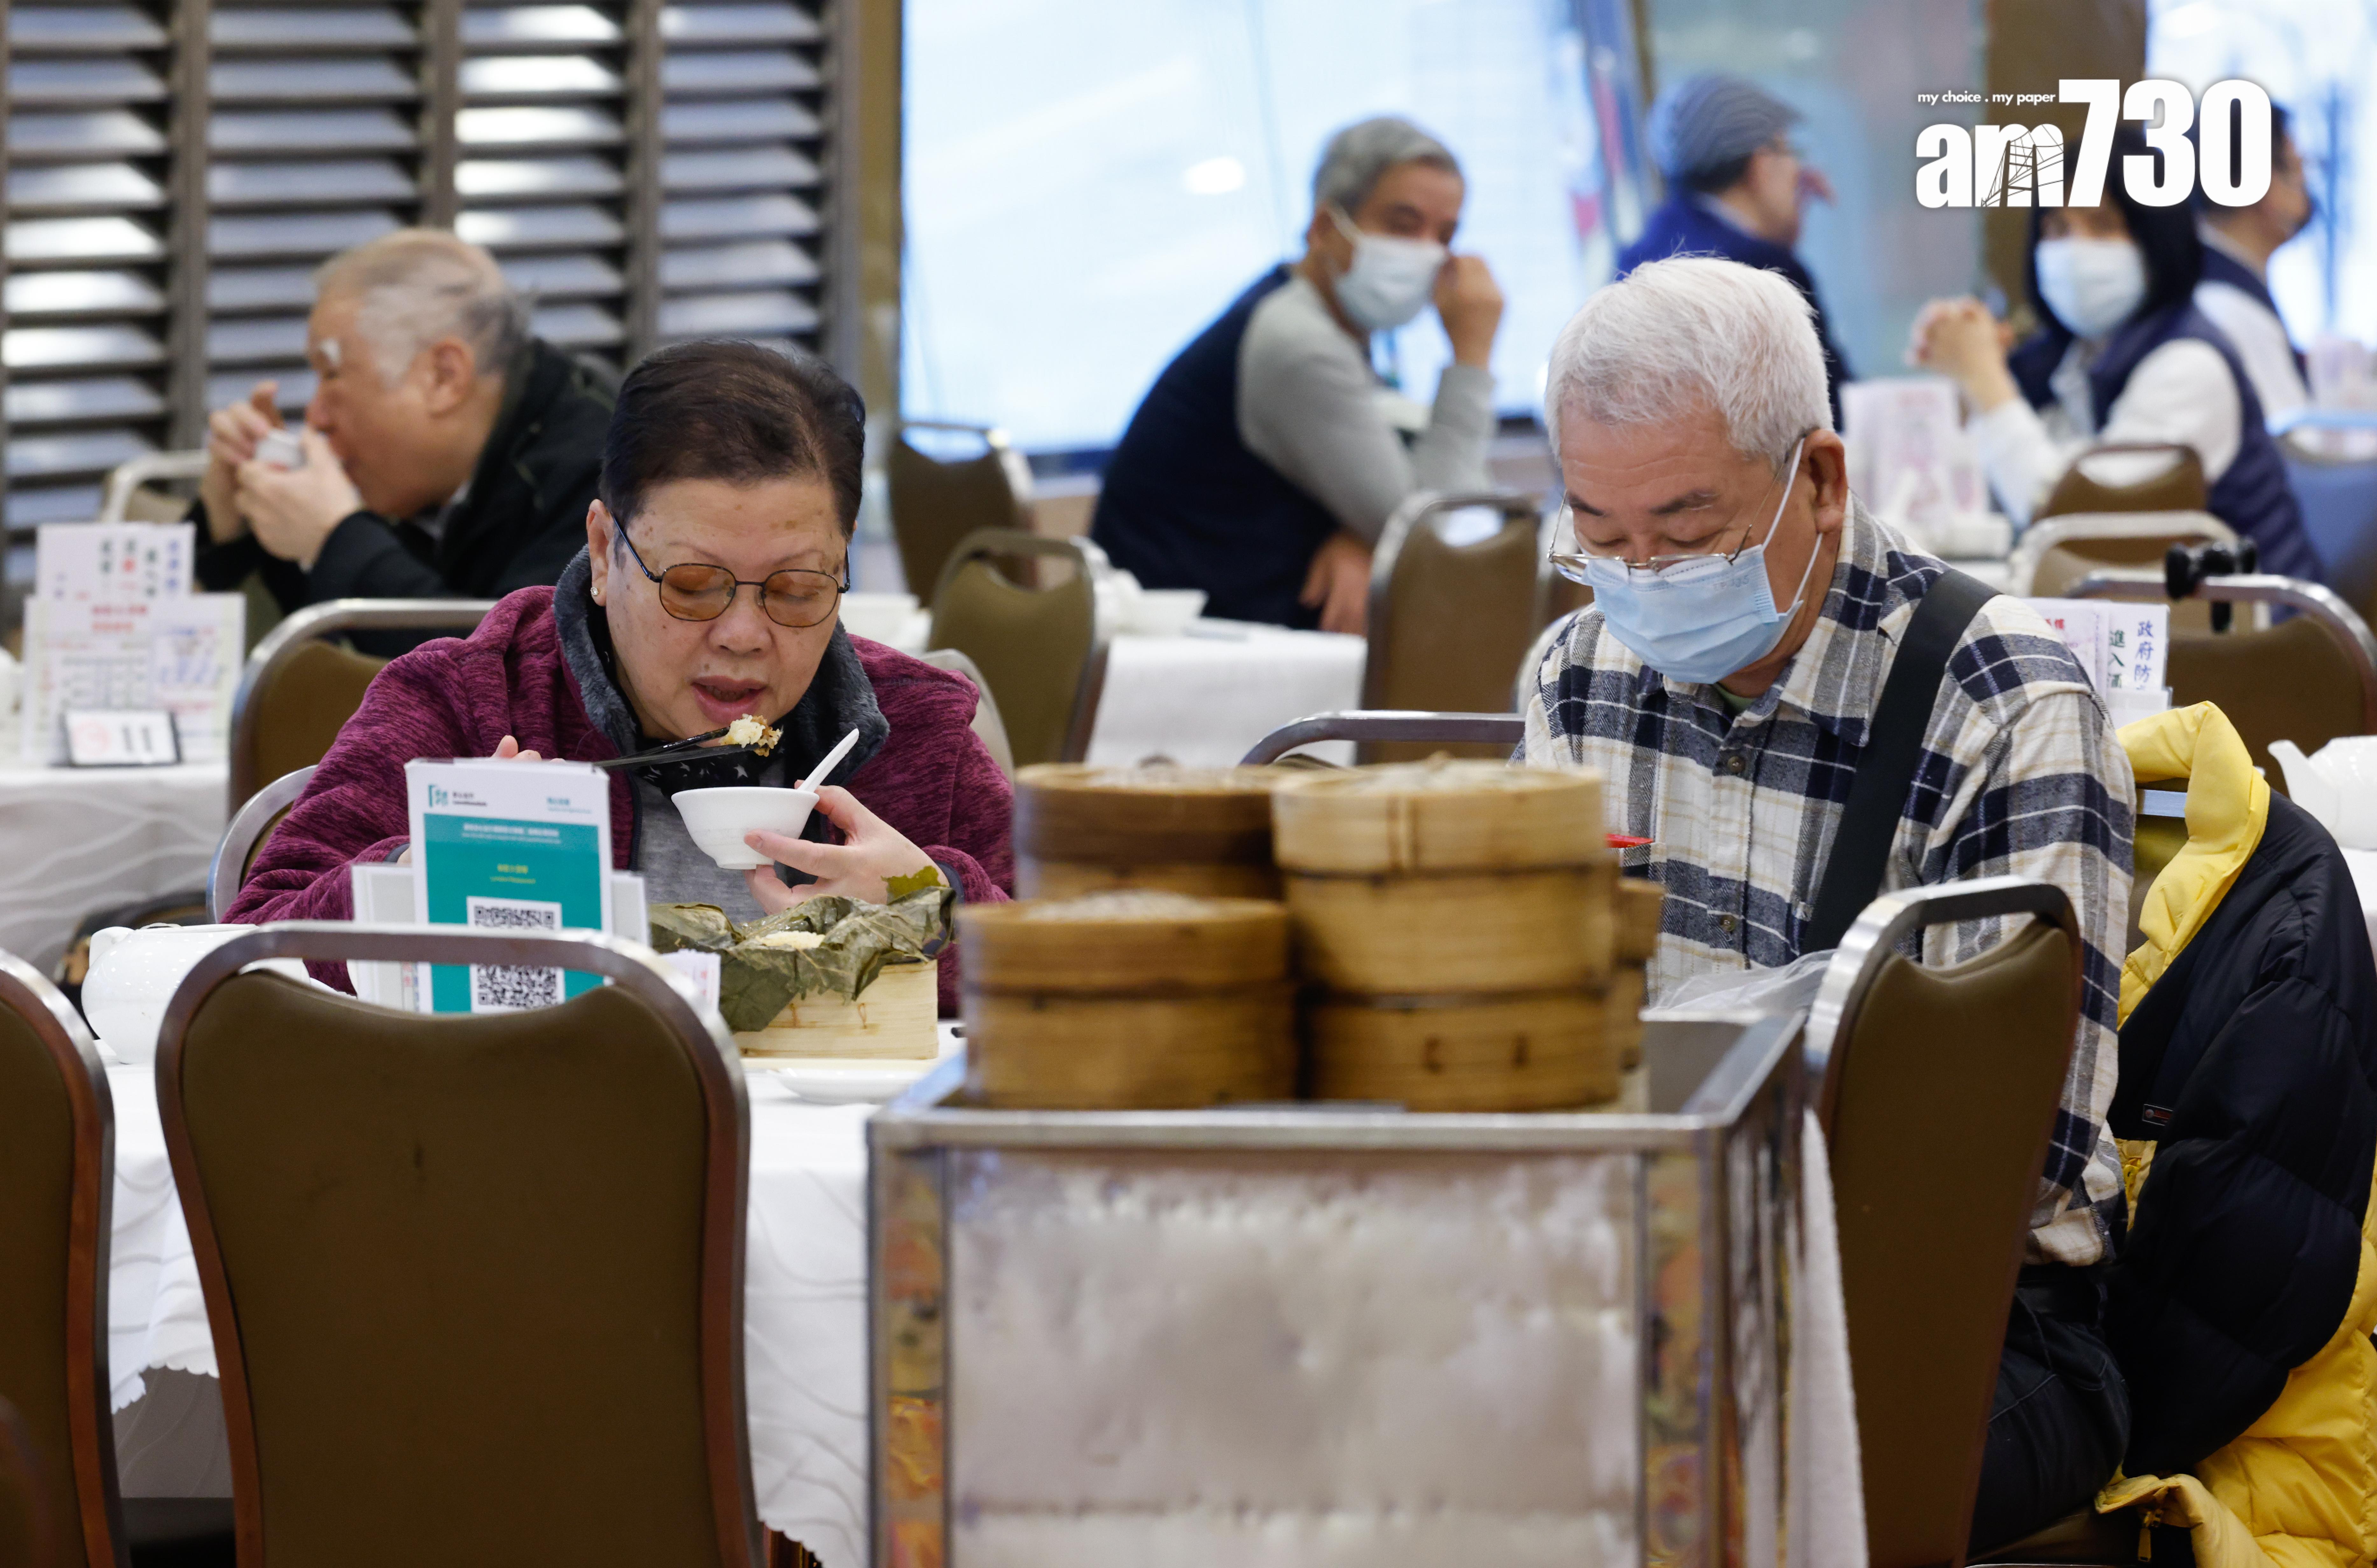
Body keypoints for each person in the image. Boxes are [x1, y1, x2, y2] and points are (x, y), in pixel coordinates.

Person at [1522, 256, 2133, 1550]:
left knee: (1666, 1490)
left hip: (1950, 1311)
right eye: (1601, 534)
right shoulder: (1578, 675)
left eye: (1687, 536)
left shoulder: (2001, 703)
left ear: (1819, 477)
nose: (1640, 579)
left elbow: (1999, 1167)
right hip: (1649, 1262)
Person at [227, 340, 1014, 1012]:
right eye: (694, 587)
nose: (743, 636)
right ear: (605, 553)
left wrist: (933, 906)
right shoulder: (469, 701)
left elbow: (1081, 969)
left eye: (798, 591)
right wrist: (416, 882)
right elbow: (246, 953)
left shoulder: (913, 731)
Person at [1090, 115, 1504, 633]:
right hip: (1185, 645)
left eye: (1445, 235)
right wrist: (1472, 356)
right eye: (1402, 225)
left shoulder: (1325, 320)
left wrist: (1360, 531)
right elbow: (1436, 532)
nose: (1429, 254)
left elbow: (1400, 510)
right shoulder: (1298, 341)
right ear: (1325, 229)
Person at [1911, 126, 2321, 582]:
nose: (2073, 251)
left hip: (2252, 636)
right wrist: (1967, 386)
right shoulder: (2069, 359)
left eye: (2103, 225)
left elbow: (2066, 522)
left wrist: (1984, 381)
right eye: (2057, 228)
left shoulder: (2191, 365)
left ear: (2155, 238)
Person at [193, 228, 614, 641]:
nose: (316, 416)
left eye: (332, 374)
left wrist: (337, 541)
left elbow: (506, 681)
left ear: (443, 377)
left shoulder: (605, 471)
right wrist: (234, 529)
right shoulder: (415, 474)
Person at [1620, 73, 1850, 413]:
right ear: (1761, 165)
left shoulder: (1635, 260)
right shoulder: (1765, 271)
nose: (1799, 170)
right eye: (1788, 151)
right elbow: (1833, 413)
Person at [2193, 101, 2315, 424]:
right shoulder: (2229, 308)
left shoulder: (2213, 283)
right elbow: (2297, 451)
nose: (2305, 191)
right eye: (2296, 171)